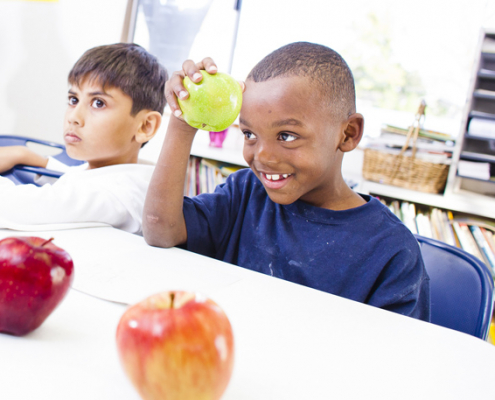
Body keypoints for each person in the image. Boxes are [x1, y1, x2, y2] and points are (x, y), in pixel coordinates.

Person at [143, 42, 430, 320]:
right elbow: (160, 230)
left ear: (348, 134)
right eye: (249, 134)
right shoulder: (245, 192)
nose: (263, 156)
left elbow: (395, 360)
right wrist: (182, 122)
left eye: (287, 136)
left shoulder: (392, 251)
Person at [0, 43, 168, 235]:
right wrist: (25, 155)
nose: (74, 117)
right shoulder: (109, 173)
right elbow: (77, 179)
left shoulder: (121, 196)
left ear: (145, 126)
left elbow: (20, 206)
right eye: (73, 100)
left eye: (98, 103)